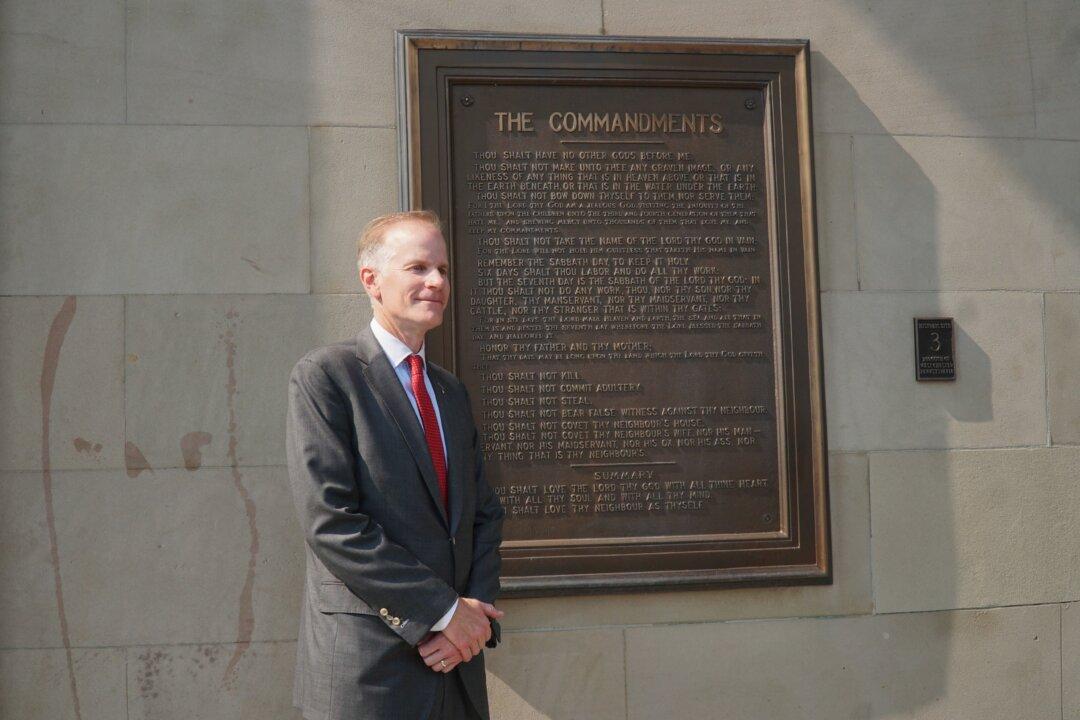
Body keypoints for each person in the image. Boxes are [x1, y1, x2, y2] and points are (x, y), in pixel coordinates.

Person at [286, 210, 505, 720]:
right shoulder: (327, 377)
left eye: (444, 270)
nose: (436, 282)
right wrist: (445, 612)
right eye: (418, 268)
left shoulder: (449, 391)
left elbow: (484, 515)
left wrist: (471, 621)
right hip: (371, 673)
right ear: (372, 280)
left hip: (456, 670)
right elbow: (332, 523)